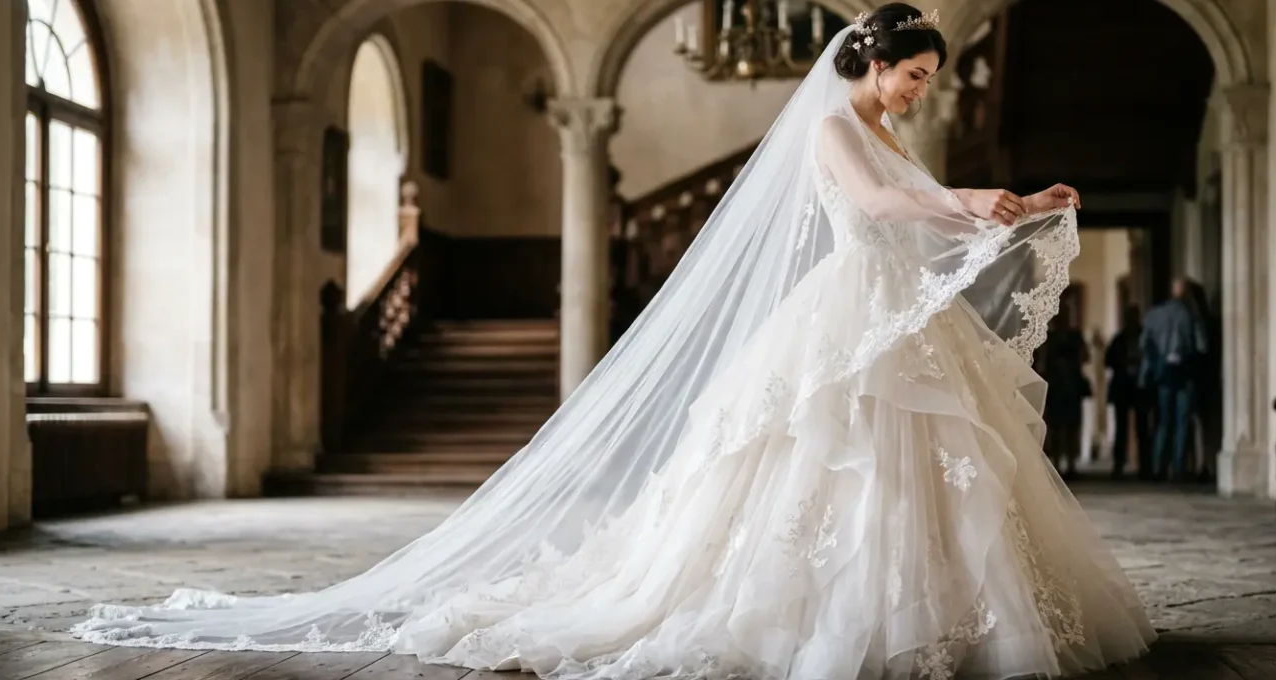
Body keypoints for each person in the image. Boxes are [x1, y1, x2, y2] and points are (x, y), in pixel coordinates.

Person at [71, 5, 1156, 678]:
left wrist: (997, 201)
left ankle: (951, 614)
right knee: (823, 459)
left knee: (935, 461)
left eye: (924, 82)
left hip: (892, 314)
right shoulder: (834, 126)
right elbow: (875, 209)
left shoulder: (883, 125)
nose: (918, 92)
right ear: (869, 66)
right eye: (910, 78)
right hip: (848, 307)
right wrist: (979, 202)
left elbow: (909, 191)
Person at [1141, 277, 1209, 482]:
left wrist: (1150, 369)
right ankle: (1178, 468)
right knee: (1182, 421)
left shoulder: (1155, 314)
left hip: (1163, 372)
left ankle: (1159, 466)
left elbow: (1145, 344)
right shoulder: (1191, 315)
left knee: (1163, 421)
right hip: (1185, 371)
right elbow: (1202, 346)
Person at [1037, 304, 1090, 479]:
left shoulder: (1075, 336)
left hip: (1072, 387)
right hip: (1056, 387)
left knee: (1072, 427)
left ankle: (1071, 463)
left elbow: (1085, 356)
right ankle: (1058, 463)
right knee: (1057, 427)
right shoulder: (1048, 337)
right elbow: (1042, 364)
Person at [1105, 305, 1152, 479]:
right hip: (1123, 387)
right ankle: (1119, 465)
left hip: (1140, 386)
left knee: (1142, 427)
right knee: (1121, 429)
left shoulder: (1144, 336)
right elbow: (1108, 360)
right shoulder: (1120, 338)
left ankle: (1145, 466)